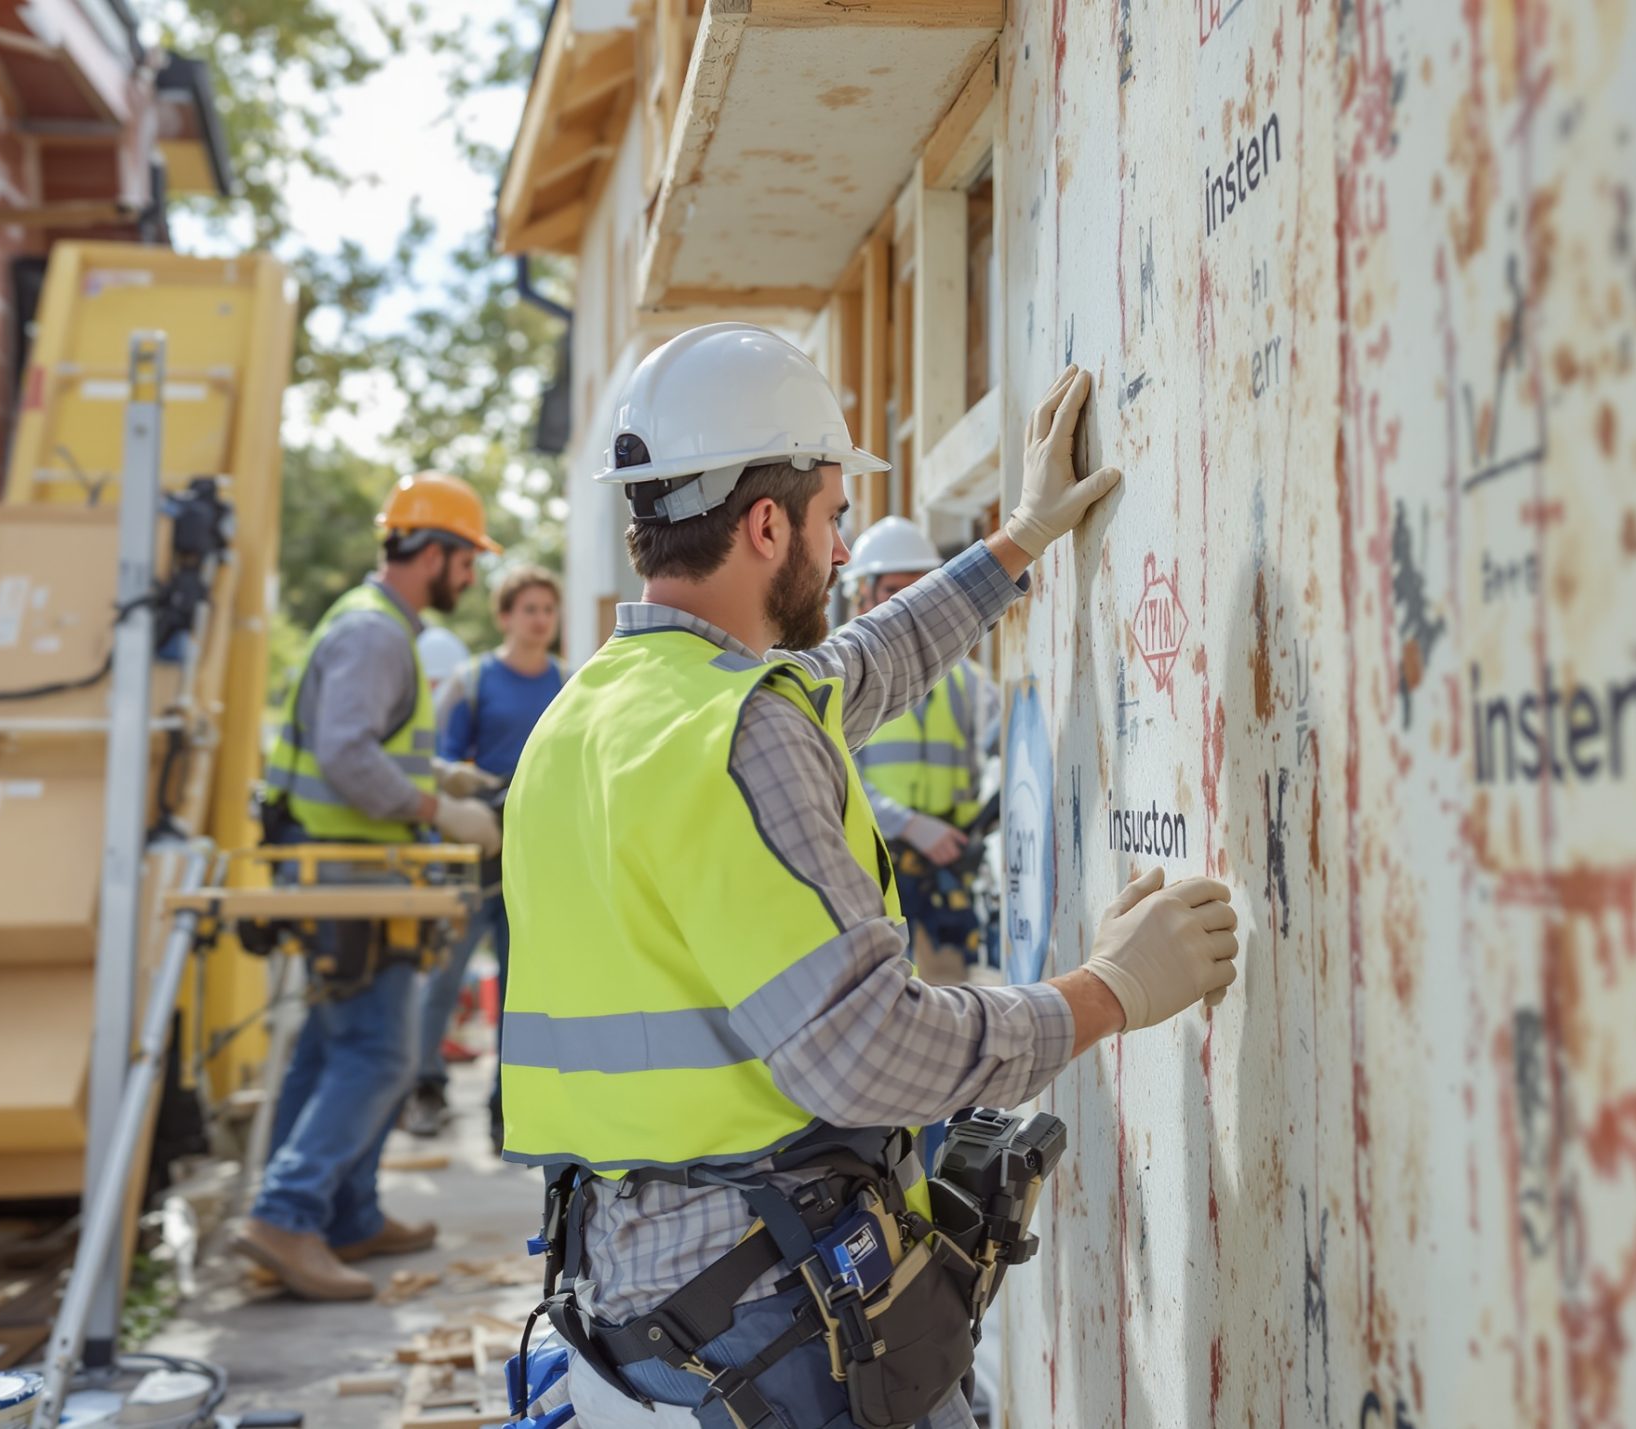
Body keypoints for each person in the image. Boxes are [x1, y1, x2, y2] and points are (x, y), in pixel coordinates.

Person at [501, 323, 1241, 1426]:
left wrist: (1019, 541)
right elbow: (866, 1054)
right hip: (770, 1326)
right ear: (765, 525)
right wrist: (1106, 992)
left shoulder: (590, 716)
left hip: (628, 1311)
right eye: (831, 518)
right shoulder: (742, 732)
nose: (842, 551)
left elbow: (859, 663)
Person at [235, 471, 507, 1302]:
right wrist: (433, 806)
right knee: (380, 1052)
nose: (472, 577)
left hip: (352, 868)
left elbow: (364, 745)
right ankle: (287, 1214)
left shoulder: (381, 626)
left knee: (329, 1048)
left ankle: (344, 1213)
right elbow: (347, 754)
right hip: (347, 870)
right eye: (467, 560)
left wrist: (445, 777)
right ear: (433, 551)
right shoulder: (375, 633)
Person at [402, 566, 566, 1146]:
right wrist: (470, 794)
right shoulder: (474, 681)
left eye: (548, 608)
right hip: (475, 852)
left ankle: (506, 1106)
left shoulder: (569, 685)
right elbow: (442, 763)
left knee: (519, 986)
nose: (541, 619)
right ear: (505, 617)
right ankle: (426, 1088)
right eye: (529, 609)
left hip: (533, 857)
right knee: (444, 978)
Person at [843, 518, 1002, 985]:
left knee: (946, 1001)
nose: (911, 607)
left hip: (944, 875)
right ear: (862, 596)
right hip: (872, 874)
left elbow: (1002, 739)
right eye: (896, 589)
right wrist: (910, 825)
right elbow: (833, 777)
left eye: (921, 590)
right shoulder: (839, 682)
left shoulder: (965, 680)